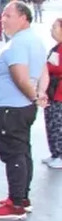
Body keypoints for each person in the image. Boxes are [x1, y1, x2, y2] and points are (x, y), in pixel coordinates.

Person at [0, 2, 46, 220]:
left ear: (23, 18)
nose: (3, 19)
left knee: (14, 153)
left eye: (8, 15)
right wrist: (39, 94)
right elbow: (43, 71)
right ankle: (22, 196)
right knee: (22, 150)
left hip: (11, 107)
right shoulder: (32, 41)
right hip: (19, 106)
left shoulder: (19, 44)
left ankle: (16, 203)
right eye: (2, 16)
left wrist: (34, 96)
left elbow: (20, 76)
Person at [42, 19, 62, 170]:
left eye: (55, 27)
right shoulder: (57, 47)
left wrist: (47, 67)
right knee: (51, 122)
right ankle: (55, 152)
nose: (52, 30)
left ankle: (60, 154)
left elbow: (56, 67)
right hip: (52, 90)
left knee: (57, 124)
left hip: (59, 92)